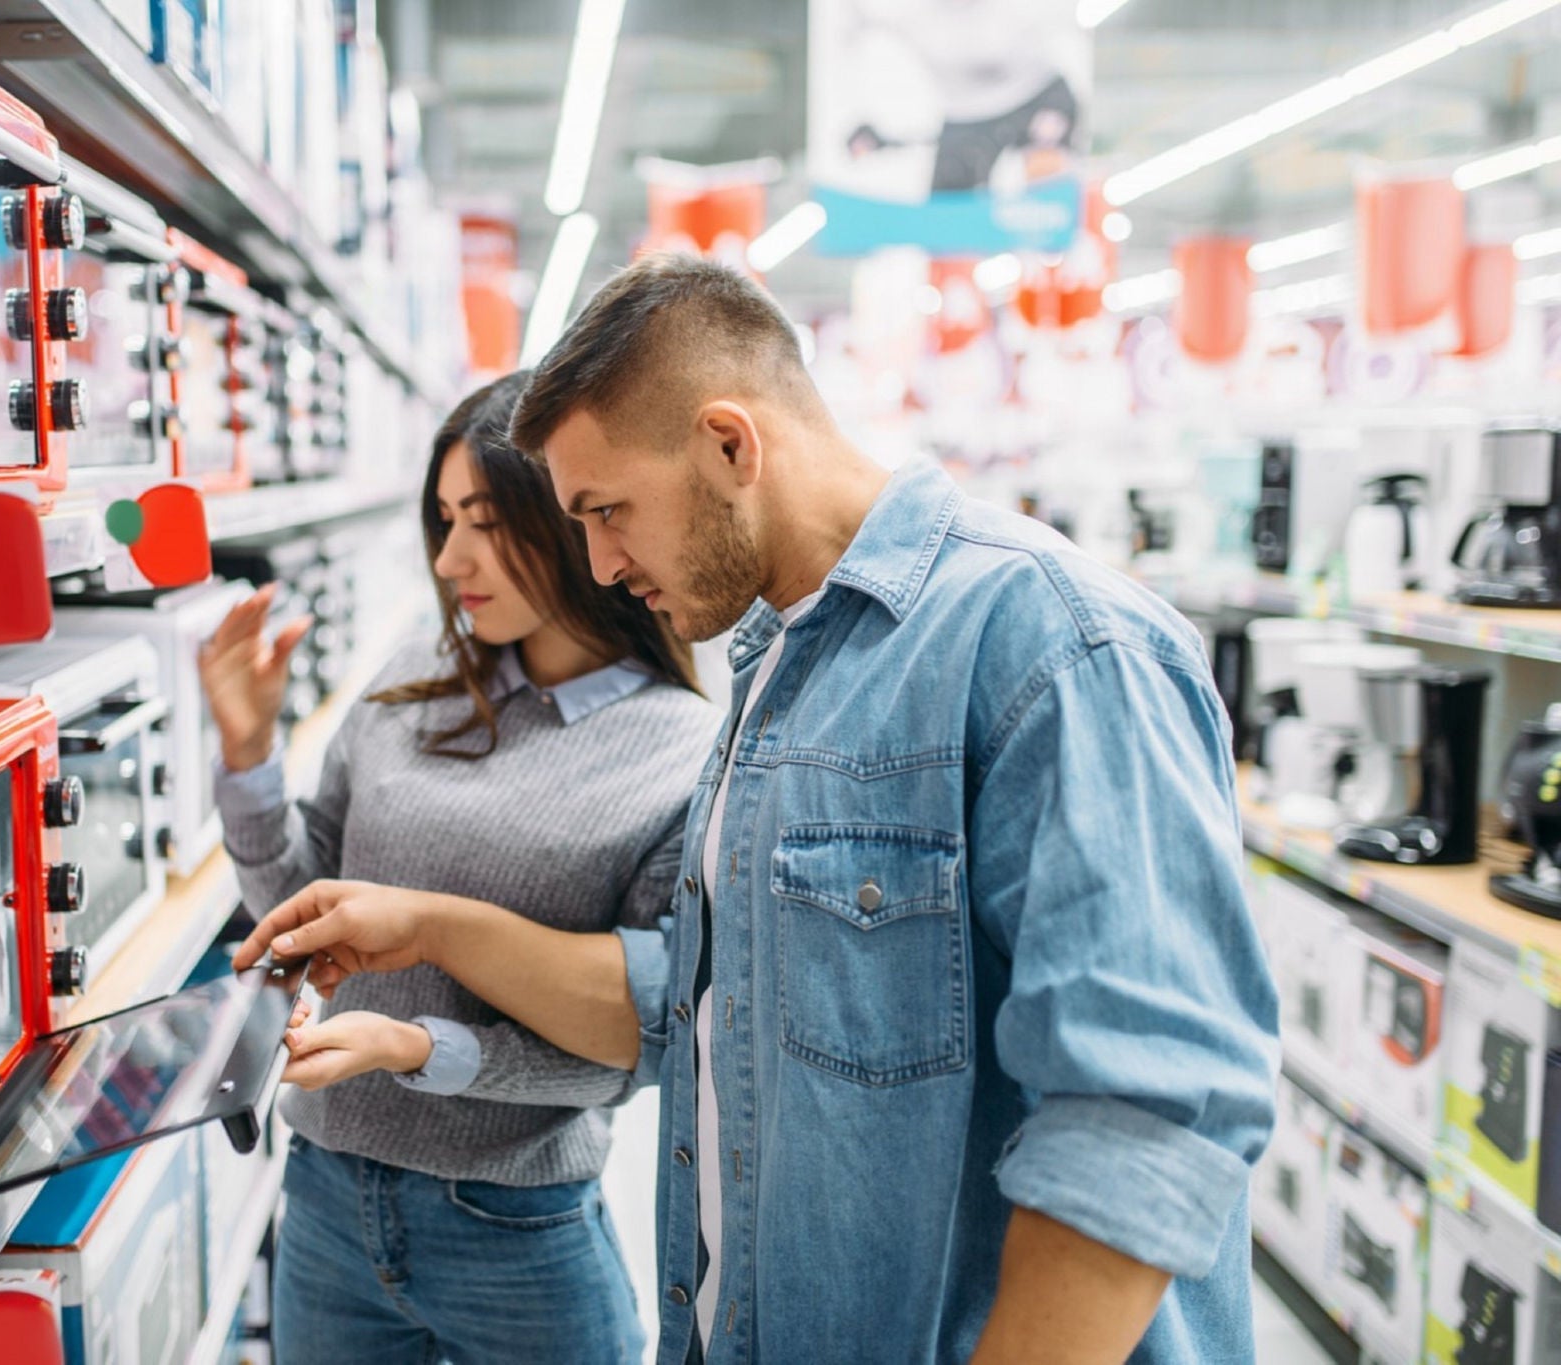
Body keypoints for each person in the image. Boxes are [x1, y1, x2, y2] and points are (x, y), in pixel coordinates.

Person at [234, 256, 1280, 1365]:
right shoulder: (776, 667)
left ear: (729, 445)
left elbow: (1142, 1115)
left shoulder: (1052, 645)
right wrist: (430, 929)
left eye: (606, 510)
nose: (594, 560)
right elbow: (693, 1002)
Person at [200, 370, 719, 1364]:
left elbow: (641, 1046)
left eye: (481, 522)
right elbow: (296, 922)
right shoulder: (410, 678)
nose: (449, 559)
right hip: (324, 1195)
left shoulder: (678, 752)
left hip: (515, 1223)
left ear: (568, 516)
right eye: (442, 521)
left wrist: (421, 1047)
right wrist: (247, 756)